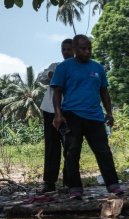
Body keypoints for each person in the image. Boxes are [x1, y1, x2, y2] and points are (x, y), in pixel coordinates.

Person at [51, 34, 123, 199]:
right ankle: (75, 188)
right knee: (72, 151)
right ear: (75, 50)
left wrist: (109, 113)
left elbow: (104, 92)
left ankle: (113, 185)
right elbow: (57, 92)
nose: (87, 52)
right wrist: (58, 114)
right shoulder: (64, 67)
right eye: (83, 49)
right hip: (72, 115)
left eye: (89, 48)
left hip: (95, 117)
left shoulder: (98, 68)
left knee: (103, 151)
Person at [36, 38, 74, 194]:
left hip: (70, 111)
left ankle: (70, 182)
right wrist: (49, 75)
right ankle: (49, 183)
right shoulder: (55, 66)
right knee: (52, 146)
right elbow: (40, 77)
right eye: (63, 49)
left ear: (75, 50)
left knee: (71, 146)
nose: (66, 52)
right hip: (50, 111)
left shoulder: (79, 68)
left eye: (69, 49)